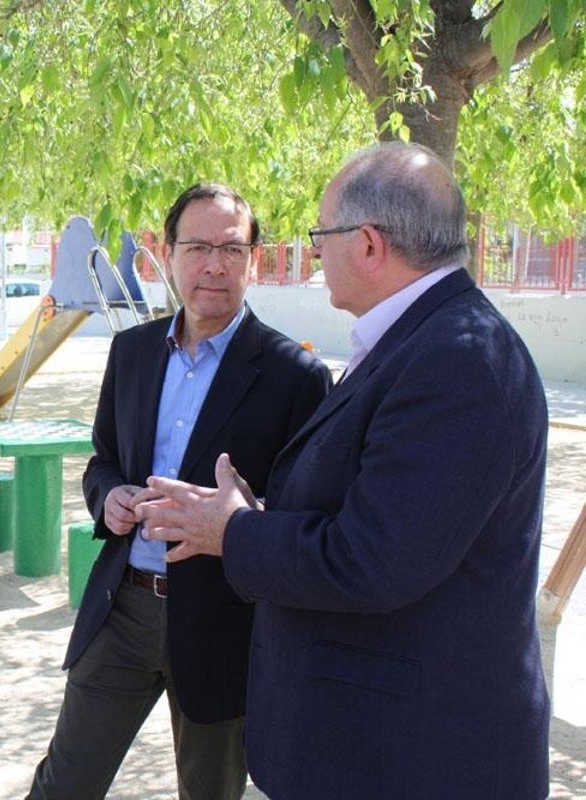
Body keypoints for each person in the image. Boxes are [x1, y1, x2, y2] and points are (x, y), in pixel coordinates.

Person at [139, 142, 550, 798]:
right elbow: (380, 518)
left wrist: (235, 530)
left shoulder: (459, 360)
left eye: (320, 236)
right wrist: (256, 514)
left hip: (412, 761)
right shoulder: (419, 341)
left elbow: (373, 561)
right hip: (372, 748)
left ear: (367, 245)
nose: (315, 255)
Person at [27, 184, 332, 799]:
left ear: (253, 261)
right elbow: (103, 462)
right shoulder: (132, 352)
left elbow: (308, 518)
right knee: (64, 784)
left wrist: (242, 519)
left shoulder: (295, 376)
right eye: (197, 247)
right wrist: (110, 497)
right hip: (122, 607)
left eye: (231, 249)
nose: (213, 265)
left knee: (209, 792)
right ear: (167, 254)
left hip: (224, 624)